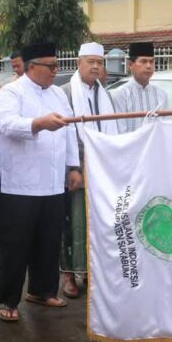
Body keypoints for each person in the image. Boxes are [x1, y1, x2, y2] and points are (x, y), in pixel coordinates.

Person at [0, 41, 81, 322]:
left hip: (51, 183)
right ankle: (9, 300)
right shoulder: (10, 92)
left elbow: (70, 130)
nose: (56, 70)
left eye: (56, 64)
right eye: (50, 66)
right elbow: (6, 124)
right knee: (16, 245)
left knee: (49, 241)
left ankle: (42, 290)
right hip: (17, 184)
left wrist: (73, 167)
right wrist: (37, 124)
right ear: (31, 66)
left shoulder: (58, 95)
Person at [60, 42, 119, 298]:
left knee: (97, 222)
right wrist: (75, 165)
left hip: (101, 168)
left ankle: (93, 273)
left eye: (99, 62)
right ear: (78, 63)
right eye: (90, 62)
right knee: (73, 221)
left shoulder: (106, 95)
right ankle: (69, 275)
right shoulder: (64, 93)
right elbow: (63, 135)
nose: (96, 66)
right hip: (74, 167)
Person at [112, 42, 168, 132]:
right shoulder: (121, 95)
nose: (149, 66)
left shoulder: (161, 94)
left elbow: (166, 126)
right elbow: (120, 132)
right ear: (130, 65)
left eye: (151, 61)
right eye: (143, 61)